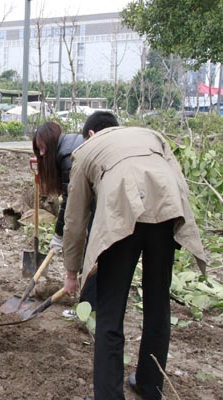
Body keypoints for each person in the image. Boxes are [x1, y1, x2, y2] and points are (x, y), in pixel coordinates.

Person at [62, 111, 207, 400]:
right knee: (157, 303)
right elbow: (179, 181)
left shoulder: (85, 150)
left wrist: (71, 271)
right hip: (166, 209)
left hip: (121, 216)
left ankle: (108, 396)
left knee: (110, 313)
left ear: (90, 133)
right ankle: (150, 386)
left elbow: (75, 218)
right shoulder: (151, 135)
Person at [31, 121, 96, 313]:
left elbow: (70, 204)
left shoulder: (68, 157)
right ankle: (88, 305)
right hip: (96, 202)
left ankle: (87, 308)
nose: (41, 154)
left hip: (99, 205)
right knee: (88, 253)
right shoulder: (68, 146)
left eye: (42, 149)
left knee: (90, 254)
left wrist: (59, 235)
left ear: (51, 144)